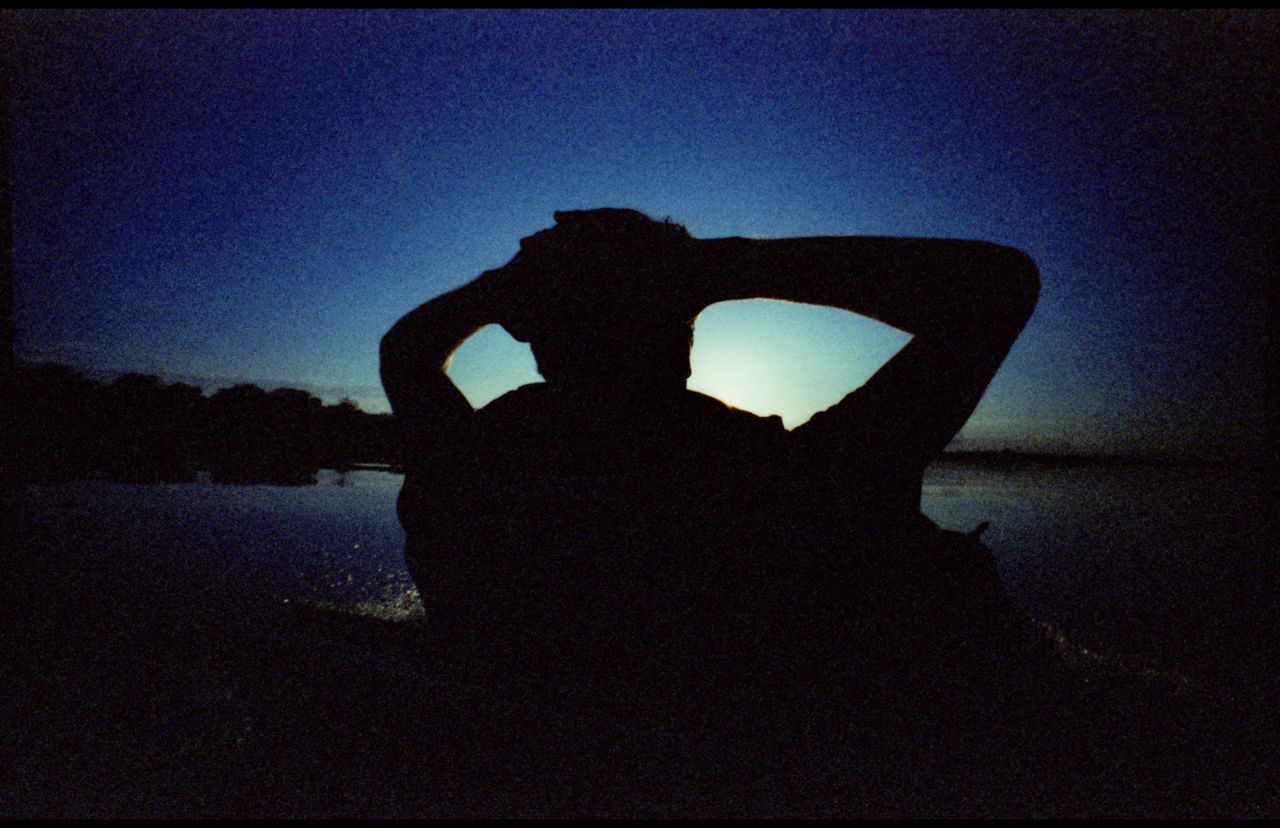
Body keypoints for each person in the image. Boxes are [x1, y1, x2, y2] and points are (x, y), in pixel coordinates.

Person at [381, 208, 1038, 670]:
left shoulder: (471, 469)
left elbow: (406, 352)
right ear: (684, 343)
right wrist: (723, 266)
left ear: (534, 335)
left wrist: (496, 289)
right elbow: (997, 284)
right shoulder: (801, 483)